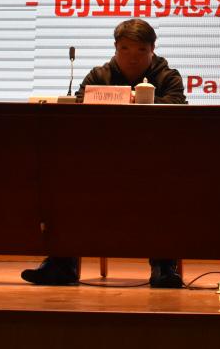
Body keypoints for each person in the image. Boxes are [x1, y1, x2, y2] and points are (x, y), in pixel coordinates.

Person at [21, 18, 188, 288]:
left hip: (152, 163)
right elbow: (78, 109)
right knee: (66, 185)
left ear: (152, 49)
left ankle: (164, 268)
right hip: (100, 163)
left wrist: (133, 99)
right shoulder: (99, 76)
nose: (132, 57)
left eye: (141, 50)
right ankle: (62, 265)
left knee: (169, 188)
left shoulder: (168, 77)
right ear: (115, 48)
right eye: (125, 49)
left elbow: (178, 110)